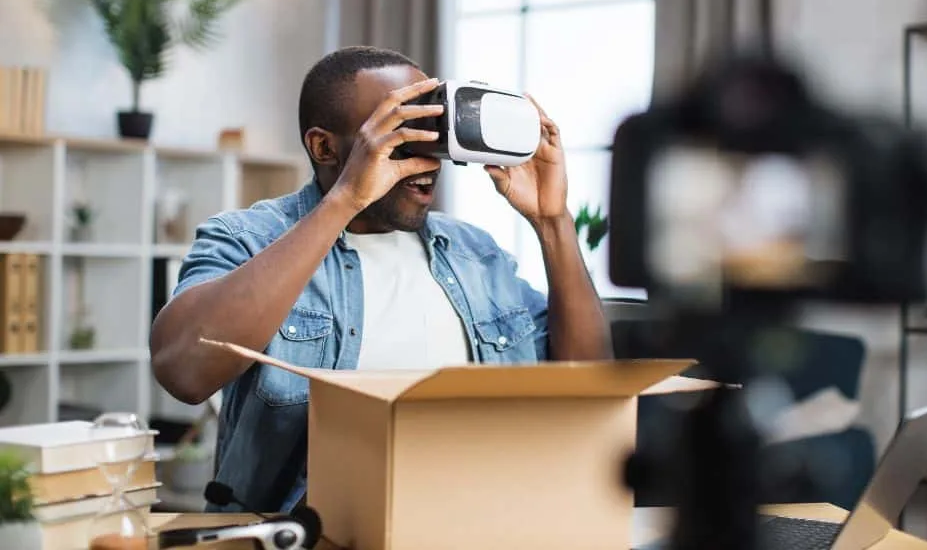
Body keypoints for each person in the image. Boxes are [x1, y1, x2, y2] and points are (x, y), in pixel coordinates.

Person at [149, 46, 612, 512]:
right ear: (324, 147)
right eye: (398, 133)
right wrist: (346, 199)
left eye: (431, 130)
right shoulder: (250, 237)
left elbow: (585, 388)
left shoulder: (475, 253)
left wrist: (553, 222)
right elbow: (184, 372)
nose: (428, 159)